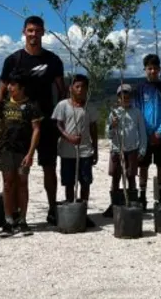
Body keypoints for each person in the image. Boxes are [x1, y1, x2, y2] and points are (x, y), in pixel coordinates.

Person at [0, 16, 67, 226]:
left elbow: (62, 90)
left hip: (45, 121)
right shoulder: (13, 60)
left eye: (37, 31)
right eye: (30, 31)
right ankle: (16, 214)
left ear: (43, 32)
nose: (33, 35)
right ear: (23, 32)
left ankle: (53, 208)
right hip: (16, 124)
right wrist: (1, 120)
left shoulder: (53, 61)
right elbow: (1, 91)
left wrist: (60, 118)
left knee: (49, 167)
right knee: (16, 173)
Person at [0, 70, 42, 237]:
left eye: (13, 85)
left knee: (22, 183)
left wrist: (30, 154)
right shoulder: (3, 104)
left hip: (23, 151)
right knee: (7, 184)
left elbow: (36, 130)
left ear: (22, 87)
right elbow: (0, 128)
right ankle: (9, 220)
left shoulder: (32, 105)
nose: (9, 87)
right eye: (8, 84)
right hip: (5, 150)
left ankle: (23, 220)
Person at [52, 74, 98, 226]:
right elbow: (58, 125)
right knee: (69, 182)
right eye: (77, 86)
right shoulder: (63, 105)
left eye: (84, 87)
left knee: (85, 182)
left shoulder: (89, 107)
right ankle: (71, 210)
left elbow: (93, 128)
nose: (80, 90)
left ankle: (83, 212)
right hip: (67, 151)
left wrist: (95, 149)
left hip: (85, 150)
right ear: (71, 88)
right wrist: (68, 137)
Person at [135, 54, 161, 207]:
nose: (152, 71)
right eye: (149, 68)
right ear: (145, 69)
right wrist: (143, 132)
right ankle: (142, 196)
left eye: (155, 68)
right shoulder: (139, 89)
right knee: (143, 166)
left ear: (159, 69)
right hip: (144, 136)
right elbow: (137, 110)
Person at [104, 84, 148, 217]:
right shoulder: (114, 114)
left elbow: (142, 132)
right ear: (118, 98)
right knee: (116, 177)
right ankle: (115, 204)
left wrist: (142, 149)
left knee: (131, 176)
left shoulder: (137, 113)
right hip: (117, 150)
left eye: (128, 97)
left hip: (132, 150)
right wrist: (113, 126)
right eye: (123, 97)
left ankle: (132, 202)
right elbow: (108, 134)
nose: (126, 99)